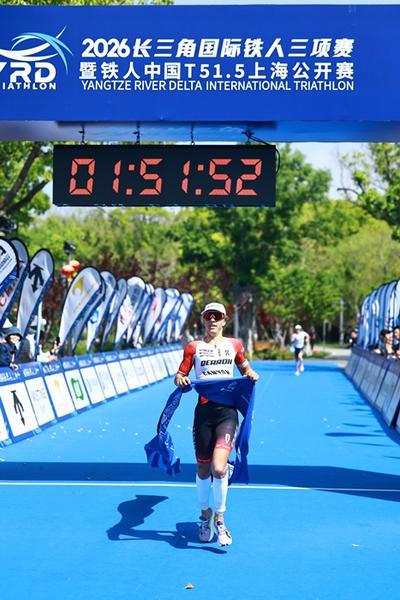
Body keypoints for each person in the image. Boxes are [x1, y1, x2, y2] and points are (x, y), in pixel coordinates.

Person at [174, 302, 259, 547]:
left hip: (227, 414)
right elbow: (179, 375)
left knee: (219, 468)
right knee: (203, 469)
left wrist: (250, 374)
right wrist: (180, 380)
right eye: (208, 316)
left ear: (224, 320)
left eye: (217, 316)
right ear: (203, 320)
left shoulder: (235, 345)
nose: (212, 320)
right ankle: (205, 516)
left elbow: (245, 367)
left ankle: (220, 520)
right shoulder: (193, 347)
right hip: (203, 413)